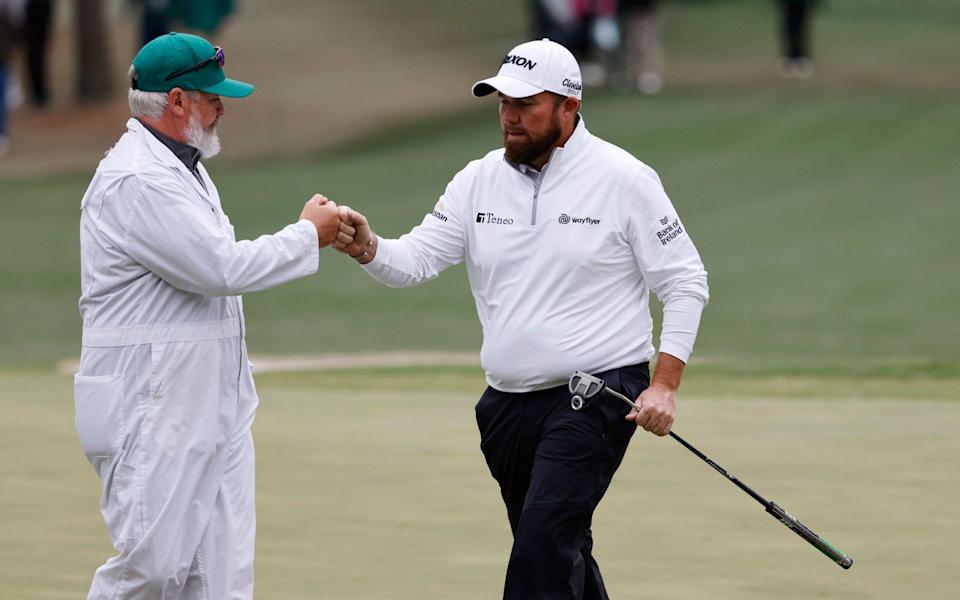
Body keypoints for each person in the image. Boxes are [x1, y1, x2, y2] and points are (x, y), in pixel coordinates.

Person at [333, 38, 709, 600]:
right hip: (507, 406)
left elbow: (684, 280)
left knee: (541, 550)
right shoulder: (477, 179)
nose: (509, 116)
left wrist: (665, 385)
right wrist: (368, 248)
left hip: (596, 393)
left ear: (568, 108)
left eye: (525, 104)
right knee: (560, 551)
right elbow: (415, 261)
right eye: (502, 102)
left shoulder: (623, 177)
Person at [75, 32, 342, 598]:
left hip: (206, 406)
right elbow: (220, 268)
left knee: (221, 583)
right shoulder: (137, 179)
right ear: (176, 100)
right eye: (210, 96)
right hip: (151, 407)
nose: (222, 107)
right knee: (152, 570)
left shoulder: (183, 166)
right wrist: (306, 236)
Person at [777, 0, 817, 78]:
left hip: (801, 3)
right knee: (789, 30)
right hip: (789, 3)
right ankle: (790, 57)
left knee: (801, 30)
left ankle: (802, 58)